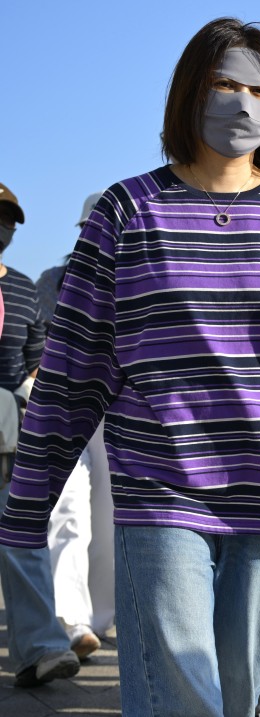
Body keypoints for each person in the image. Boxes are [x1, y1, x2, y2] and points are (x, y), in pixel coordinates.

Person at [0, 19, 260, 716]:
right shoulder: (127, 210)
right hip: (159, 483)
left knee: (236, 689)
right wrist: (28, 500)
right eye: (225, 84)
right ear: (190, 92)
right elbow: (76, 362)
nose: (243, 102)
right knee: (183, 692)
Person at [0, 180, 79, 688]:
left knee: (20, 532)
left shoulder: (25, 289)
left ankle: (43, 649)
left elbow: (35, 362)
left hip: (9, 429)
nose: (3, 229)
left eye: (7, 221)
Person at [33, 190, 114, 662]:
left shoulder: (139, 276)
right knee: (67, 511)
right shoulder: (52, 280)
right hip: (63, 407)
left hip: (116, 413)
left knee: (108, 519)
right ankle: (72, 621)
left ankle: (102, 615)